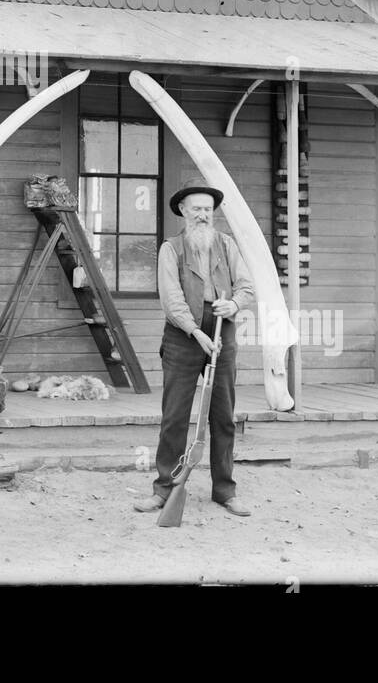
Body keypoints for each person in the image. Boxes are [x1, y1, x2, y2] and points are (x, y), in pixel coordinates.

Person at [133, 185, 255, 517]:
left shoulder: (226, 245)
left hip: (222, 334)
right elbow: (172, 301)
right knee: (175, 417)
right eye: (196, 209)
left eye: (208, 209)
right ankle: (163, 490)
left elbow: (246, 286)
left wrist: (233, 304)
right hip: (184, 337)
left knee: (223, 416)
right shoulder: (170, 249)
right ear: (183, 212)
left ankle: (224, 491)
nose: (203, 215)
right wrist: (196, 331)